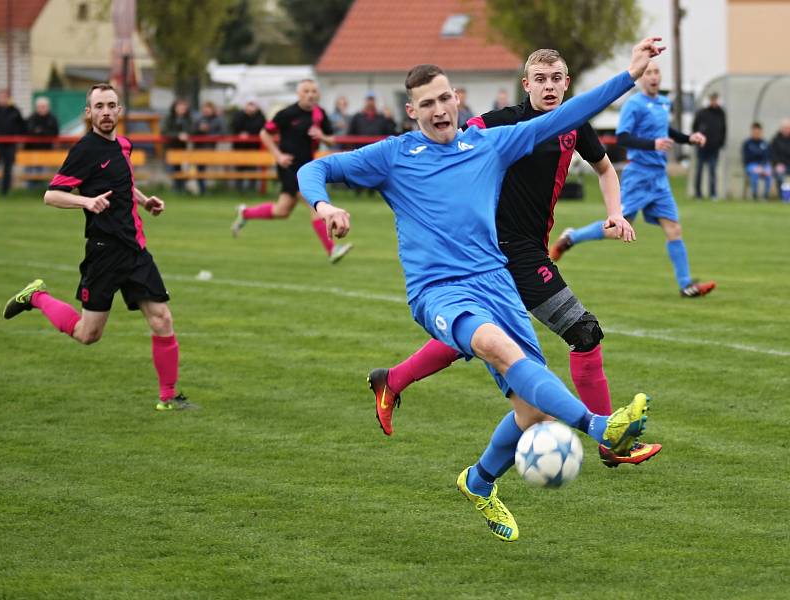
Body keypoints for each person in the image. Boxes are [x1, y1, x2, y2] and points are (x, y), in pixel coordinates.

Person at [297, 38, 665, 542]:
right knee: (493, 345)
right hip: (440, 291)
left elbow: (569, 116)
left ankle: (478, 481)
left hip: (497, 282)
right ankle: (602, 428)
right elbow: (313, 168)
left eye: (444, 98)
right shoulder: (394, 155)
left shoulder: (490, 143)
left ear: (457, 99)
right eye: (426, 103)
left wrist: (628, 75)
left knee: (530, 410)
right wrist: (324, 207)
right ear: (413, 111)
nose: (438, 109)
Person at [366, 47, 661, 469]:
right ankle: (610, 440)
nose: (549, 86)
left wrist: (614, 212)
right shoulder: (499, 124)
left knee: (473, 338)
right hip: (506, 251)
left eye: (556, 78)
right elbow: (451, 146)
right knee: (584, 332)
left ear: (567, 82)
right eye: (540, 78)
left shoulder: (573, 125)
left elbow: (605, 169)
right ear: (527, 84)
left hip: (523, 251)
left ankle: (391, 381)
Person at [2, 83, 194, 412]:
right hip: (104, 251)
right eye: (100, 107)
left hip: (134, 248)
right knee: (88, 334)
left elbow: (124, 184)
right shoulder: (85, 150)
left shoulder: (124, 145)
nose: (106, 112)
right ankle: (36, 296)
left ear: (119, 111)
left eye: (112, 105)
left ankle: (168, 398)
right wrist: (86, 202)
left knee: (162, 318)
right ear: (89, 113)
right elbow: (51, 194)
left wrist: (146, 201)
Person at [549, 60, 715, 299]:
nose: (654, 76)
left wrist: (689, 139)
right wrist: (652, 145)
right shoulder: (633, 104)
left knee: (674, 228)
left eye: (657, 72)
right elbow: (623, 138)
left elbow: (665, 131)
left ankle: (686, 284)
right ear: (641, 78)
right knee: (617, 230)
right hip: (638, 176)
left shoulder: (663, 102)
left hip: (659, 178)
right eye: (648, 72)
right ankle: (572, 237)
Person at [230, 79, 353, 264]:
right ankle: (332, 249)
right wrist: (278, 155)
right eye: (306, 91)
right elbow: (265, 133)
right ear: (299, 94)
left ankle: (245, 213)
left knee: (282, 211)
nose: (310, 94)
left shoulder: (320, 114)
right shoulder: (287, 114)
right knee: (315, 204)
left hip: (308, 167)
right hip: (289, 166)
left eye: (313, 91)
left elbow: (331, 139)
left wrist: (322, 137)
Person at [0, 88, 26, 195]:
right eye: (1, 97)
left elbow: (22, 126)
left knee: (8, 168)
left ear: (8, 98)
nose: (3, 99)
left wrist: (19, 139)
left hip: (10, 145)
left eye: (5, 97)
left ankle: (5, 191)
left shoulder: (15, 111)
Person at [692, 92, 726, 199]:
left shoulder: (721, 113)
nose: (714, 102)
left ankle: (713, 193)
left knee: (713, 171)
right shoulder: (702, 113)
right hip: (702, 147)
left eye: (715, 100)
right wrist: (697, 140)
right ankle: (698, 193)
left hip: (714, 147)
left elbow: (724, 129)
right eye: (712, 99)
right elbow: (695, 127)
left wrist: (721, 142)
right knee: (700, 170)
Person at [230, 98, 267, 192]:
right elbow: (234, 127)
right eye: (249, 105)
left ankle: (252, 189)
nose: (251, 107)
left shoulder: (260, 117)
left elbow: (262, 129)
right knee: (239, 168)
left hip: (253, 147)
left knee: (253, 168)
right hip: (240, 148)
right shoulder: (239, 115)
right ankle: (238, 189)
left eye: (252, 105)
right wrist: (240, 133)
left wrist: (249, 134)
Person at [24, 96, 60, 187]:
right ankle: (30, 191)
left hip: (46, 150)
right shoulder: (31, 118)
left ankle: (43, 191)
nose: (42, 108)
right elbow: (29, 131)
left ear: (48, 107)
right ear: (36, 107)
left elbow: (54, 132)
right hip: (31, 151)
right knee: (30, 173)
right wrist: (42, 131)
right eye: (40, 106)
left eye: (44, 106)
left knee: (45, 173)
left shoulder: (52, 118)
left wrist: (40, 131)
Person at [193, 101, 225, 195]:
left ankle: (207, 190)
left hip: (211, 148)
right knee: (200, 170)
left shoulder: (218, 119)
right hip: (199, 148)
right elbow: (192, 131)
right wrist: (200, 130)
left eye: (208, 108)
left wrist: (212, 135)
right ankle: (202, 190)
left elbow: (223, 132)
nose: (206, 110)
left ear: (212, 109)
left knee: (204, 171)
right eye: (205, 108)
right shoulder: (198, 119)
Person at [162, 98, 193, 192]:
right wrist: (178, 135)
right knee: (173, 169)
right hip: (171, 147)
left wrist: (187, 134)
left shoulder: (188, 119)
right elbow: (165, 131)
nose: (182, 109)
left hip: (184, 147)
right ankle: (176, 188)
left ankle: (182, 188)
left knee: (184, 168)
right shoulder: (169, 118)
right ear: (175, 108)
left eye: (184, 108)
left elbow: (192, 130)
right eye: (180, 107)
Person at [741, 122, 771, 200]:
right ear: (752, 131)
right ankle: (755, 195)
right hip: (751, 165)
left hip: (763, 165)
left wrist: (761, 166)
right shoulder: (747, 143)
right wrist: (757, 167)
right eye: (755, 131)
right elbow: (746, 158)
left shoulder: (765, 143)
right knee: (755, 174)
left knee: (768, 174)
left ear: (761, 132)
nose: (756, 133)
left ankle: (766, 196)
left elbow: (767, 157)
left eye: (758, 132)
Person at [769, 118, 790, 200]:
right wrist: (777, 164)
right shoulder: (775, 140)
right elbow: (772, 154)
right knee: (779, 174)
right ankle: (783, 197)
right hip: (780, 165)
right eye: (785, 128)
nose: (787, 130)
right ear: (781, 129)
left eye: (788, 128)